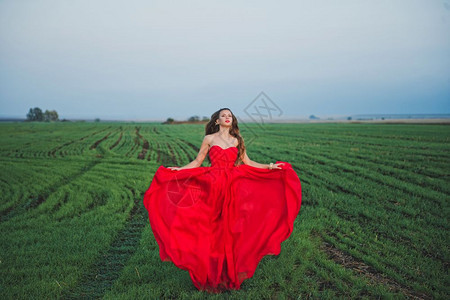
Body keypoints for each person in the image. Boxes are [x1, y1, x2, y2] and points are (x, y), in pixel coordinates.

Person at [143, 107, 302, 293]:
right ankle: (209, 274)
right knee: (211, 230)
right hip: (211, 186)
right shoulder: (209, 139)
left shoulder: (237, 140)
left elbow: (248, 163)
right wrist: (180, 170)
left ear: (232, 121)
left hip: (233, 188)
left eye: (230, 116)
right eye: (223, 116)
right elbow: (197, 162)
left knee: (230, 231)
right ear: (217, 121)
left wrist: (269, 166)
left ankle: (228, 275)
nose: (227, 118)